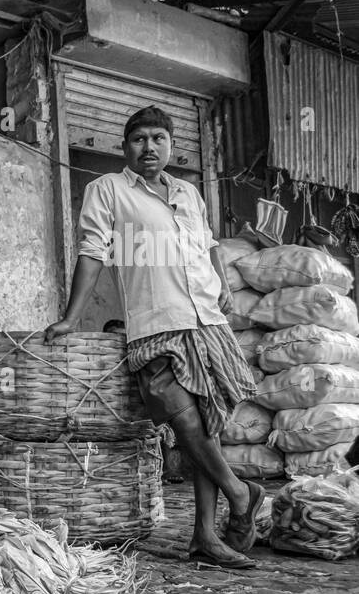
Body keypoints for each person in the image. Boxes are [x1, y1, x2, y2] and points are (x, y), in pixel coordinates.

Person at [44, 105, 263, 569]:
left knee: (207, 426)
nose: (149, 147)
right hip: (154, 322)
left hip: (206, 320)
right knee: (182, 419)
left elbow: (207, 245)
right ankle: (241, 493)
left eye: (158, 138)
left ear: (171, 146)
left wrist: (222, 286)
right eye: (139, 139)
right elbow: (92, 252)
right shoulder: (108, 190)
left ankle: (205, 534)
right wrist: (71, 317)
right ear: (125, 147)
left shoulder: (188, 192)